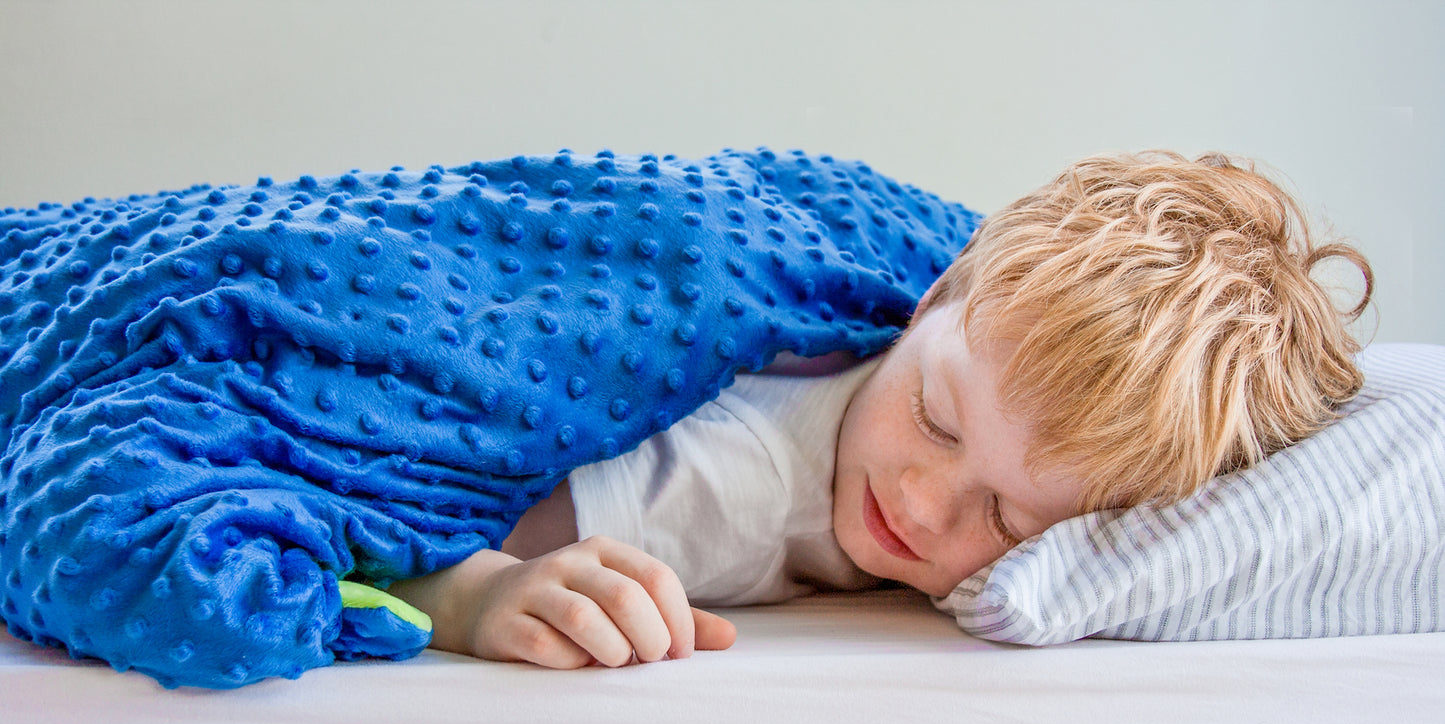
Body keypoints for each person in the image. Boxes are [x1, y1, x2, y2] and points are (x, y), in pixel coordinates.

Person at [387, 150, 1372, 670]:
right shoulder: (728, 490)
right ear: (935, 292)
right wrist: (471, 599)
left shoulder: (963, 339)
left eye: (1005, 518)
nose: (920, 497)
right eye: (938, 417)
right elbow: (389, 520)